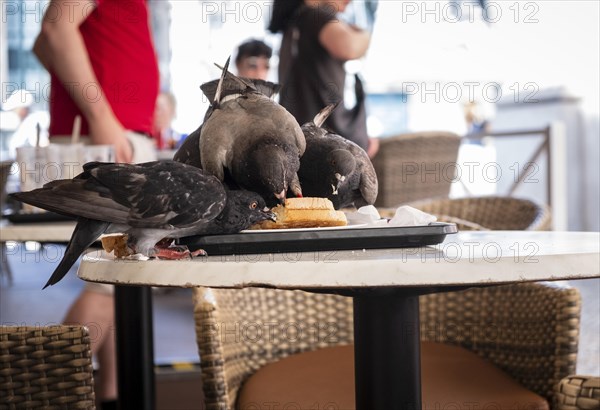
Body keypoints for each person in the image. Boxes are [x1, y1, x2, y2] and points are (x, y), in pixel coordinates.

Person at [33, 0, 159, 408]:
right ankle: (45, 395)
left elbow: (42, 43)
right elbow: (56, 30)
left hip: (112, 133)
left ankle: (110, 396)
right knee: (110, 283)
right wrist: (101, 113)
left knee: (120, 280)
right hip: (108, 138)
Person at [268, 0, 379, 158]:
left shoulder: (296, 23)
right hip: (328, 149)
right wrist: (364, 34)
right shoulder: (317, 16)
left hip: (302, 143)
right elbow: (349, 47)